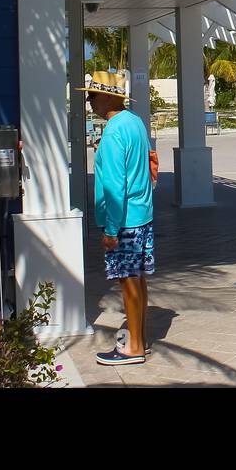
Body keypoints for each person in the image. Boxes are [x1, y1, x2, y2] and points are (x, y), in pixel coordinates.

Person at [79, 69, 154, 366]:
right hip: (141, 215)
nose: (89, 101)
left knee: (127, 281)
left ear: (108, 96)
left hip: (124, 220)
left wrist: (110, 229)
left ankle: (134, 347)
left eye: (92, 95)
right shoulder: (135, 122)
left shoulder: (112, 132)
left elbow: (113, 185)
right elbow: (148, 165)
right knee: (137, 279)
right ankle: (139, 338)